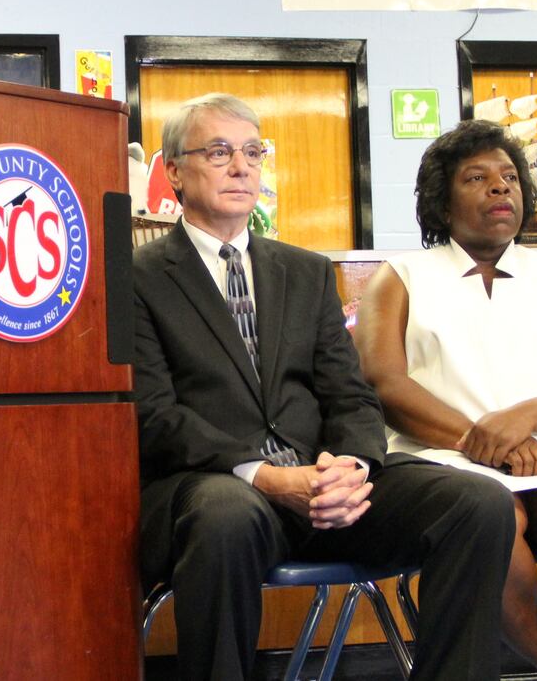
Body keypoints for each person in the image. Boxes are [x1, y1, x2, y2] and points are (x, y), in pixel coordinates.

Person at [134, 95, 514, 681]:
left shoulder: (305, 272)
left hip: (326, 486)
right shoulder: (136, 276)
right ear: (174, 171)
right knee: (224, 517)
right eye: (219, 152)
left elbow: (352, 396)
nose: (241, 167)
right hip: (221, 488)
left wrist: (352, 466)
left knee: (478, 503)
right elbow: (155, 417)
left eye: (252, 152)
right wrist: (265, 475)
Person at [355, 120, 537, 681]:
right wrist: (483, 442)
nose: (500, 188)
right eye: (477, 178)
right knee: (490, 522)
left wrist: (525, 419)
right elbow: (381, 383)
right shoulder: (401, 278)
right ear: (441, 201)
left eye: (510, 178)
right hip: (447, 458)